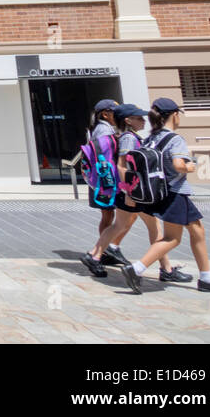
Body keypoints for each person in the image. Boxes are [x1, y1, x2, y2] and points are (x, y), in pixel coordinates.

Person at [123, 98, 210, 296]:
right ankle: (137, 269)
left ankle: (206, 277)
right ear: (174, 115)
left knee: (197, 230)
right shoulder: (175, 139)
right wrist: (190, 166)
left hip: (161, 192)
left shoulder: (152, 137)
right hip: (175, 192)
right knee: (173, 238)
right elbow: (178, 165)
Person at [81, 104, 189, 283]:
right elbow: (123, 165)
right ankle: (166, 269)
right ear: (128, 120)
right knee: (154, 228)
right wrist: (130, 191)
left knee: (119, 226)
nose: (143, 120)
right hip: (133, 192)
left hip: (130, 191)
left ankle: (94, 255)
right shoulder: (129, 139)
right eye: (138, 118)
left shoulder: (129, 137)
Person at [82, 98, 120, 257]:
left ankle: (104, 249)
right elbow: (105, 156)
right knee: (109, 215)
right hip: (105, 180)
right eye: (115, 112)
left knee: (108, 215)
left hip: (101, 179)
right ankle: (104, 249)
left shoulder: (101, 129)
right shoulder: (104, 131)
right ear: (105, 114)